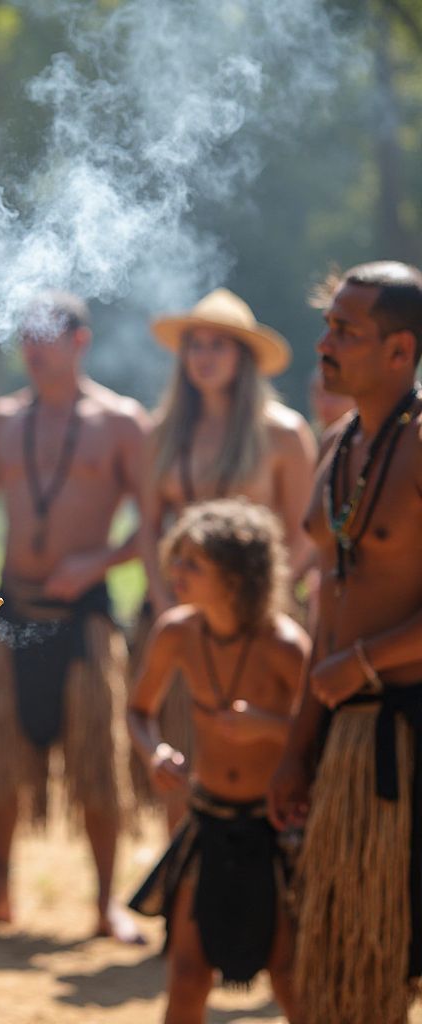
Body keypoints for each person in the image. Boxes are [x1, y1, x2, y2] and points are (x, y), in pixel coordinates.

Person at [0, 291, 148, 936]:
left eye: (46, 336)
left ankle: (105, 903)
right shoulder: (1, 421)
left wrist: (96, 563)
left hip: (82, 617)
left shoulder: (120, 422)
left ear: (79, 341)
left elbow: (152, 524)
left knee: (96, 765)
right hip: (12, 610)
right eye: (24, 336)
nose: (32, 349)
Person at [269, 261, 422, 1024]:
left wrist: (360, 663)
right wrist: (300, 747)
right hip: (351, 738)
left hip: (410, 726)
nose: (324, 341)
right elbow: (329, 607)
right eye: (327, 323)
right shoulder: (337, 447)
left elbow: (345, 644)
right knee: (358, 972)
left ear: (401, 351)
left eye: (346, 330)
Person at [134, 288, 317, 826]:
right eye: (195, 345)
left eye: (219, 345)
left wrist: (265, 607)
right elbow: (147, 530)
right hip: (181, 617)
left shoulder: (283, 433)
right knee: (181, 765)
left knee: (265, 762)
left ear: (244, 357)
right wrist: (171, 603)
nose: (205, 356)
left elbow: (306, 535)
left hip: (262, 622)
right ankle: (185, 884)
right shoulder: (164, 432)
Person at [128, 498, 308, 1022]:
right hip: (207, 822)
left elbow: (326, 738)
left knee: (290, 978)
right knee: (186, 977)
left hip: (276, 830)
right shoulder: (176, 633)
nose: (175, 572)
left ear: (236, 577)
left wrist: (267, 727)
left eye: (193, 564)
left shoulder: (284, 646)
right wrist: (153, 751)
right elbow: (139, 709)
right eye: (176, 558)